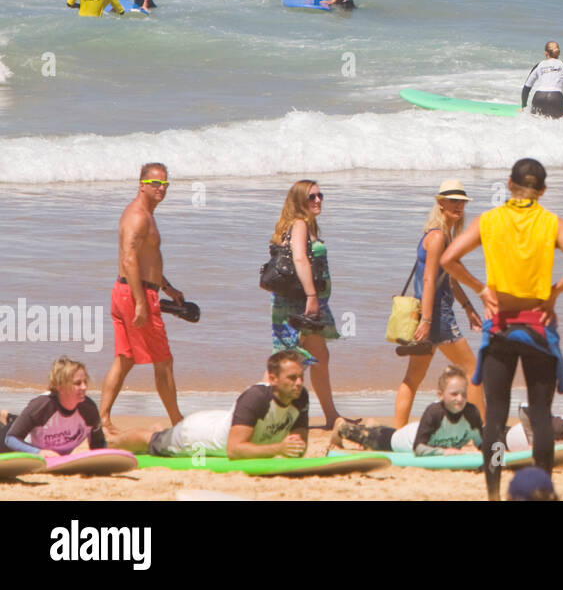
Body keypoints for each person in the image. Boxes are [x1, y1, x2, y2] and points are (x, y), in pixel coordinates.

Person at [440, 158, 563, 500]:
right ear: (542, 190)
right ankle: (543, 489)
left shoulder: (488, 221)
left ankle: (494, 491)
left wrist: (481, 289)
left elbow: (448, 258)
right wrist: (555, 292)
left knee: (495, 416)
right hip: (538, 328)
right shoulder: (552, 223)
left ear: (509, 184)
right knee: (540, 415)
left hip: (501, 328)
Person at [393, 180, 485, 427]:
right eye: (453, 201)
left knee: (413, 378)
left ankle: (398, 433)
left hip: (431, 314)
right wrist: (427, 320)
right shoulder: (437, 237)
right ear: (440, 203)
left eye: (462, 202)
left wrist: (468, 307)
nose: (459, 206)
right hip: (436, 316)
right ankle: (482, 431)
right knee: (473, 372)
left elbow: (450, 280)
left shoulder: (441, 235)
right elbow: (429, 279)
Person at [100, 164, 184, 431]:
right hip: (135, 293)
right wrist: (140, 302)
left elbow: (148, 261)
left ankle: (102, 418)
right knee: (164, 361)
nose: (161, 188)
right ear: (142, 184)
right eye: (156, 183)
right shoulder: (137, 216)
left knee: (125, 358)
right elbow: (129, 258)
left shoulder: (146, 214)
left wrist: (168, 288)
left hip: (126, 290)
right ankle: (177, 421)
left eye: (165, 184)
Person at [266, 179, 349, 428]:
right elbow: (300, 259)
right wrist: (312, 296)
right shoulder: (300, 224)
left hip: (308, 301)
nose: (318, 200)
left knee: (319, 355)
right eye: (311, 197)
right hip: (299, 302)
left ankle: (332, 416)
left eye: (320, 195)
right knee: (286, 359)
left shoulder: (306, 224)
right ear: (299, 201)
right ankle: (262, 414)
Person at [141, 351, 309, 459]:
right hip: (198, 434)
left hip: (222, 420)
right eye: (292, 378)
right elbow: (234, 449)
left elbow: (298, 448)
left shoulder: (300, 397)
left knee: (161, 435)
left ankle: (159, 430)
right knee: (151, 441)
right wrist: (279, 448)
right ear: (272, 379)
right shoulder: (255, 398)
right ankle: (117, 442)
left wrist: (293, 446)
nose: (299, 383)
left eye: (301, 377)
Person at [334, 365, 483, 455]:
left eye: (463, 394)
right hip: (403, 440)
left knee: (381, 431)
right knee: (369, 438)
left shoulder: (471, 414)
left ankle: (374, 425)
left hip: (415, 431)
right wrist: (444, 452)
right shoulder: (435, 412)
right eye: (454, 394)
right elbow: (419, 448)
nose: (459, 399)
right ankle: (341, 427)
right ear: (440, 395)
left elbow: (481, 443)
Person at [1, 357, 109, 458]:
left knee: (21, 420)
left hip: (37, 430)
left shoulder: (89, 409)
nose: (84, 387)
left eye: (85, 382)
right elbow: (11, 438)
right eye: (78, 383)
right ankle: (9, 419)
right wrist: (38, 452)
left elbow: (97, 444)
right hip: (15, 443)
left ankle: (9, 417)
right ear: (60, 387)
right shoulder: (42, 406)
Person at [521, 41, 563, 118]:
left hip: (538, 98)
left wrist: (523, 107)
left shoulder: (538, 66)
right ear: (558, 53)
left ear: (546, 53)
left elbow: (526, 87)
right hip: (556, 98)